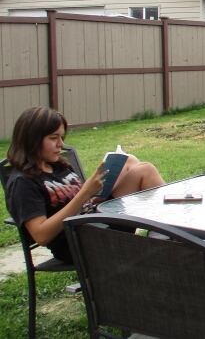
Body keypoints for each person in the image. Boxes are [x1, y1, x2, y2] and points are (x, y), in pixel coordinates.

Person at [5, 106, 165, 263]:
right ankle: (167, 240)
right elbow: (41, 235)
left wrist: (95, 194)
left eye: (62, 137)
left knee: (143, 169)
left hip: (96, 219)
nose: (60, 144)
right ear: (32, 139)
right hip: (80, 240)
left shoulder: (57, 166)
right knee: (144, 173)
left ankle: (168, 234)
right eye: (53, 138)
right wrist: (84, 194)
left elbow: (79, 201)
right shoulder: (23, 182)